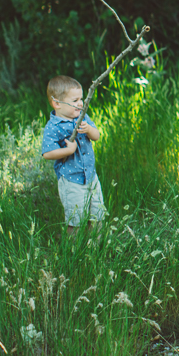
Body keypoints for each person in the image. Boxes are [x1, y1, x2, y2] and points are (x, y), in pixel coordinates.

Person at [41, 75, 105, 237]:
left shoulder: (82, 118)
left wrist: (89, 130)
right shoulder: (53, 127)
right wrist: (68, 151)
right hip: (71, 180)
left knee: (97, 215)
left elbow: (96, 136)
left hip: (91, 176)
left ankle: (96, 247)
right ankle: (73, 250)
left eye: (81, 99)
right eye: (75, 100)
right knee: (75, 219)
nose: (81, 103)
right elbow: (47, 153)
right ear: (57, 104)